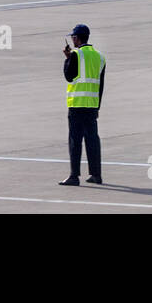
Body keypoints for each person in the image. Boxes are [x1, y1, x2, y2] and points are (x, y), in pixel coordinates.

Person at [59, 23, 105, 186]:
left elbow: (69, 76)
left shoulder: (76, 54)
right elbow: (101, 84)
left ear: (77, 38)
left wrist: (67, 58)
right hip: (92, 105)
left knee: (75, 140)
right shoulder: (99, 56)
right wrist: (97, 106)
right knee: (92, 139)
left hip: (77, 104)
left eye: (73, 37)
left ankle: (74, 176)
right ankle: (96, 174)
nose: (72, 40)